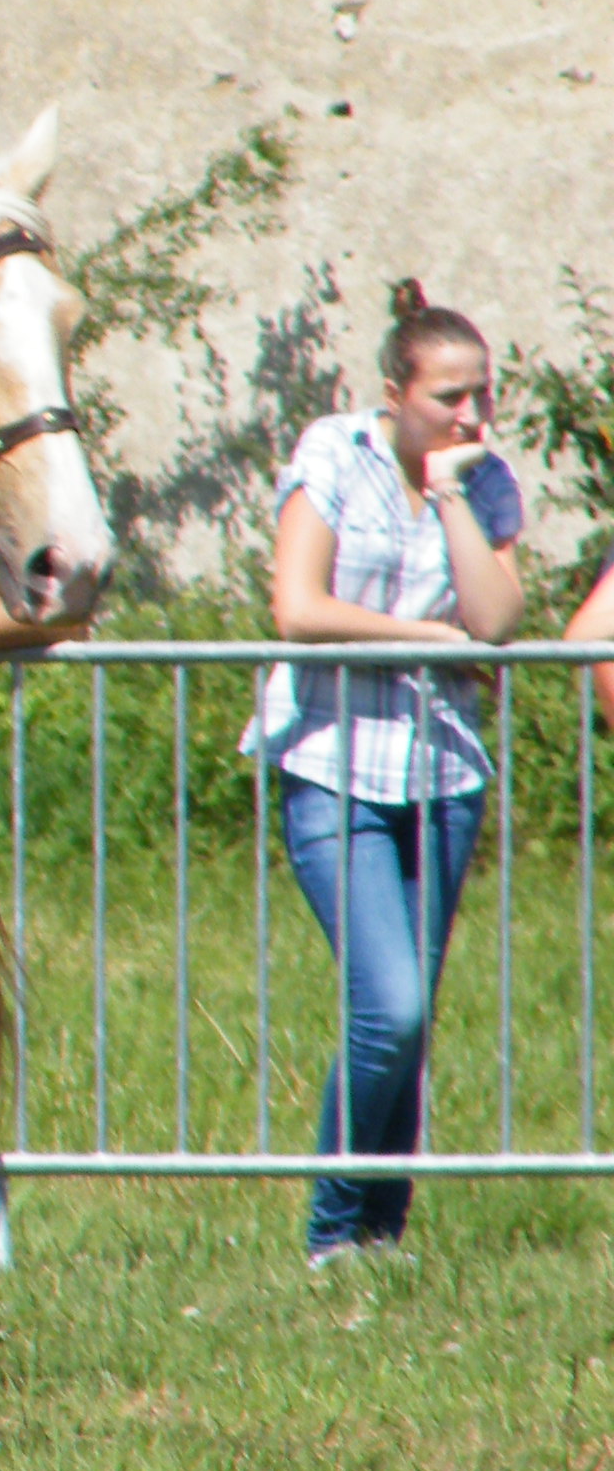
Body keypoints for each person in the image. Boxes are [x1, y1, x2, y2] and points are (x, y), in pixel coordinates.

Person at [239, 280, 522, 1270]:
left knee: (412, 1019)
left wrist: (450, 494)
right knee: (389, 1008)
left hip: (443, 775)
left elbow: (498, 622)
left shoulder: (483, 481)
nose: (470, 414)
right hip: (333, 767)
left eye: (482, 394)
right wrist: (427, 638)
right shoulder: (333, 453)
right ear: (395, 394)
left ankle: (381, 1233)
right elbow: (298, 607)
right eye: (448, 396)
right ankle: (332, 1232)